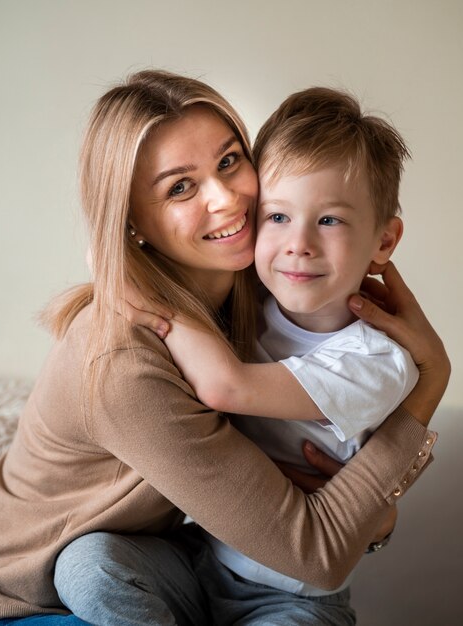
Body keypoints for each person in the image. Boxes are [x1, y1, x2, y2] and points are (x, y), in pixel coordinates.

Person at [0, 70, 449, 626]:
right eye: (180, 187)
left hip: (220, 570)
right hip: (36, 598)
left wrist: (371, 518)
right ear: (132, 222)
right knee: (93, 567)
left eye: (230, 160)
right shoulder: (124, 359)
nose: (226, 198)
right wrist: (429, 385)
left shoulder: (259, 291)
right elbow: (318, 554)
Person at [157, 87, 420, 602]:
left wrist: (147, 293)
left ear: (383, 242)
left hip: (292, 589)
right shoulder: (248, 299)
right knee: (90, 563)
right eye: (277, 217)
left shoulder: (379, 362)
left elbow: (225, 388)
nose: (299, 242)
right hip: (202, 552)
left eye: (329, 220)